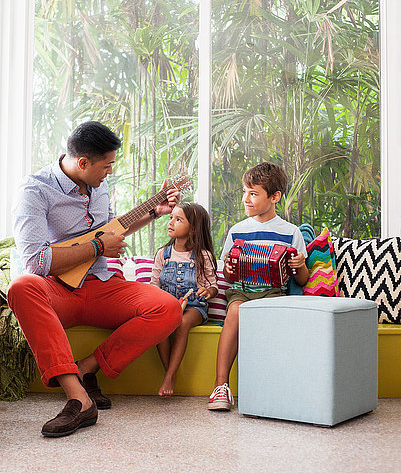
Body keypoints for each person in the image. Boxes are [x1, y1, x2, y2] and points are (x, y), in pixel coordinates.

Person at [7, 121, 182, 437]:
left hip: (103, 285)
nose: (110, 172)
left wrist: (154, 212)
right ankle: (78, 398)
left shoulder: (100, 185)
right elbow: (36, 261)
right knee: (21, 286)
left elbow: (110, 231)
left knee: (168, 308)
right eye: (107, 165)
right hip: (58, 289)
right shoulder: (34, 190)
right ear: (83, 162)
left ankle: (87, 368)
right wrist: (98, 246)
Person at [207, 162, 309, 411]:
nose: (246, 199)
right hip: (241, 290)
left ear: (274, 197)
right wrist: (229, 271)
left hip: (273, 292)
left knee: (271, 316)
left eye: (254, 193)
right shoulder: (237, 231)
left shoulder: (291, 232)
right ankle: (221, 386)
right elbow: (229, 275)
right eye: (245, 191)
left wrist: (298, 265)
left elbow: (302, 279)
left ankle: (273, 387)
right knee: (235, 311)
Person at [151, 202, 218, 396]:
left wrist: (208, 292)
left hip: (194, 307)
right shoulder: (163, 254)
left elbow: (212, 285)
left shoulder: (202, 255)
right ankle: (170, 374)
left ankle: (169, 376)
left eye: (178, 219)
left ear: (194, 229)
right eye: (171, 217)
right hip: (168, 305)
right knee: (161, 325)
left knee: (181, 323)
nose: (171, 222)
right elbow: (154, 284)